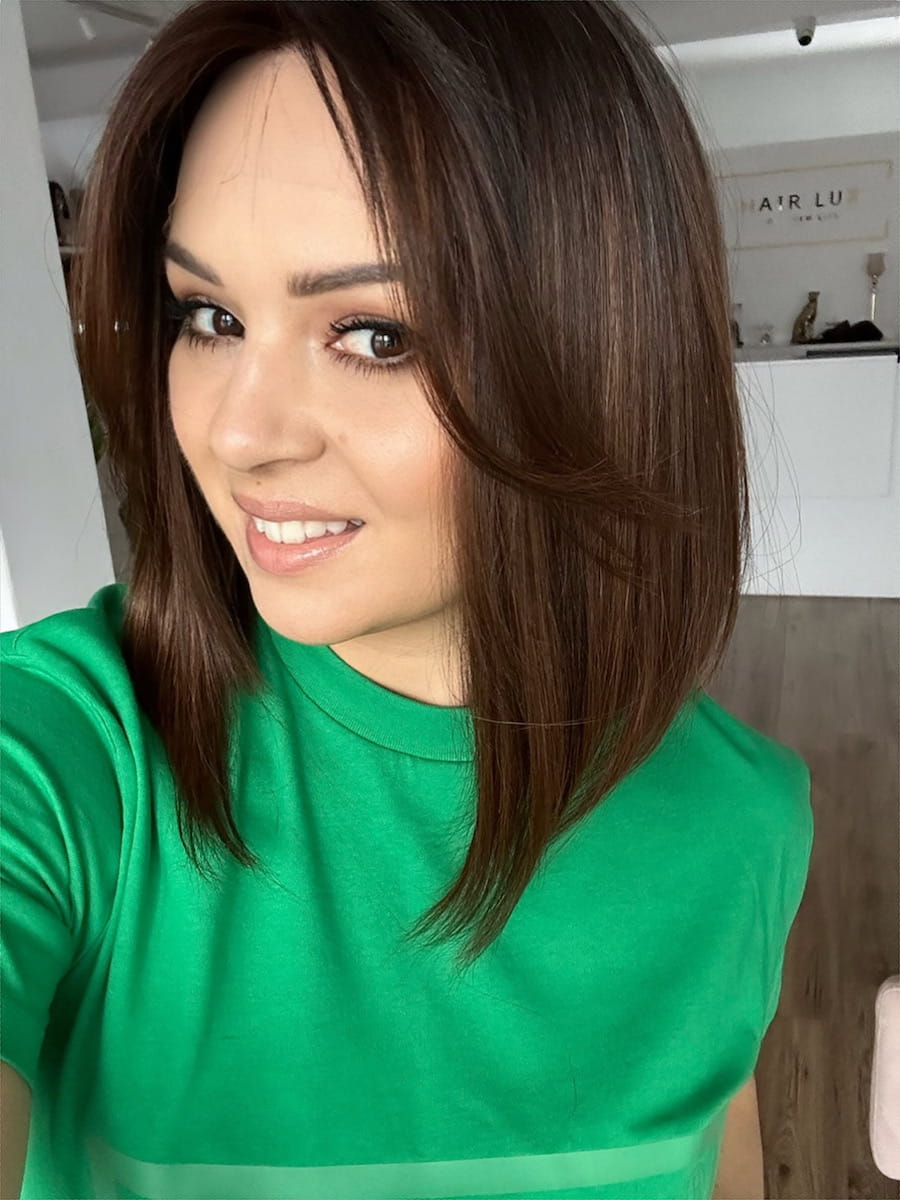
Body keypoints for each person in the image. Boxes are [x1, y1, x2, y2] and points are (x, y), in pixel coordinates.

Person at [0, 3, 814, 1198]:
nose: (237, 433)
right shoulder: (74, 758)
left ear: (598, 356)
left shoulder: (742, 823)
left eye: (374, 335)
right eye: (210, 318)